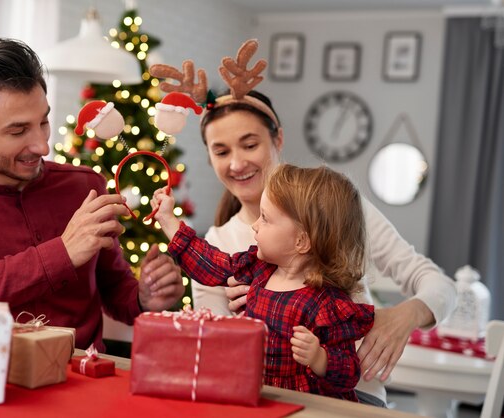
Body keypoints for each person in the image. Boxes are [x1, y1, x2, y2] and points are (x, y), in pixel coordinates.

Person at [0, 38, 184, 351]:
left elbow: (115, 290)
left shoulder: (84, 186)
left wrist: (144, 296)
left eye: (44, 122)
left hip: (82, 379)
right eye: (18, 131)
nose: (42, 146)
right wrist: (61, 254)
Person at [192, 89, 457, 406]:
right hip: (265, 398)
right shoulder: (216, 244)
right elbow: (213, 352)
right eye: (221, 152)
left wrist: (407, 314)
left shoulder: (337, 209)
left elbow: (442, 285)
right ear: (209, 159)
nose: (237, 163)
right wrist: (243, 324)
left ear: (278, 140)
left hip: (352, 398)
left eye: (250, 145)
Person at [152, 164, 375, 401]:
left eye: (265, 219)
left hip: (304, 406)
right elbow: (210, 262)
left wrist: (320, 358)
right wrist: (167, 219)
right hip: (258, 396)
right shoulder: (258, 269)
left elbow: (350, 372)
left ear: (301, 241)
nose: (255, 225)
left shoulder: (328, 304)